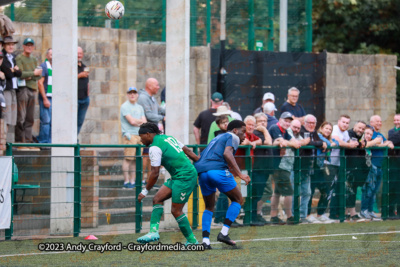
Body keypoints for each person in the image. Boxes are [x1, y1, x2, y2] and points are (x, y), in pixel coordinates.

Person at [136, 123, 200, 245]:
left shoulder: (154, 148)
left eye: (141, 136)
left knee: (176, 210)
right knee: (157, 199)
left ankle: (192, 241)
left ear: (148, 134)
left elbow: (155, 173)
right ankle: (153, 232)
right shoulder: (168, 137)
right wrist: (200, 163)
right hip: (178, 176)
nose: (141, 139)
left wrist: (144, 191)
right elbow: (187, 150)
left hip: (185, 177)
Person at [194, 120, 250, 249]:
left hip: (202, 172)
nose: (245, 135)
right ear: (235, 130)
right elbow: (227, 153)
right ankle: (223, 233)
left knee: (209, 207)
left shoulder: (216, 138)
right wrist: (240, 174)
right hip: (217, 170)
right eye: (243, 131)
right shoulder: (233, 136)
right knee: (238, 199)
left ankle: (206, 242)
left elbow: (200, 156)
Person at [268, 112, 301, 224]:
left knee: (277, 192)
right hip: (278, 165)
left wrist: (288, 143)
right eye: (285, 120)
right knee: (288, 192)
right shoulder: (275, 128)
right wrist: (288, 143)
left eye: (289, 121)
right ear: (280, 120)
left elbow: (294, 142)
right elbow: (282, 142)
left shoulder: (285, 131)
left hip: (279, 164)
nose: (287, 123)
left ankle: (273, 217)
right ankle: (290, 217)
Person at [360, 116, 394, 220]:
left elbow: (388, 143)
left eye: (380, 121)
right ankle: (363, 210)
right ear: (371, 122)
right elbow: (371, 143)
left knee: (374, 190)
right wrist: (383, 143)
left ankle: (370, 211)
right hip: (371, 165)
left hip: (380, 166)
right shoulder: (370, 133)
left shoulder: (380, 134)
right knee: (368, 189)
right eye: (377, 121)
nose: (379, 123)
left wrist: (387, 143)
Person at [329, 115, 359, 220]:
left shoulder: (346, 133)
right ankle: (329, 213)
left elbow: (347, 142)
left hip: (339, 164)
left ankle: (336, 213)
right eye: (343, 122)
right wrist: (349, 145)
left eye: (347, 123)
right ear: (338, 121)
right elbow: (337, 141)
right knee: (330, 189)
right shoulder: (335, 129)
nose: (345, 124)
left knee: (338, 189)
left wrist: (353, 144)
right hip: (330, 163)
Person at [298, 114, 326, 223]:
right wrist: (318, 143)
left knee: (307, 192)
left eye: (313, 123)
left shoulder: (314, 132)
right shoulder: (300, 131)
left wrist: (320, 143)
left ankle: (303, 216)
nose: (311, 125)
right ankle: (293, 215)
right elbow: (311, 142)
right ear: (304, 123)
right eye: (309, 123)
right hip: (299, 166)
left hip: (310, 167)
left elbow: (319, 142)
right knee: (296, 192)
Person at [15, 38, 42, 150]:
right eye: (27, 45)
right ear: (23, 46)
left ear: (33, 47)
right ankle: (20, 141)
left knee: (30, 118)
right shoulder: (19, 58)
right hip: (23, 89)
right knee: (21, 116)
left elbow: (39, 75)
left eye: (31, 45)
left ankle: (28, 141)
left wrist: (30, 75)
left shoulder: (34, 59)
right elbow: (20, 74)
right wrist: (32, 74)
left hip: (32, 89)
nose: (29, 47)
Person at [138, 78, 165, 184]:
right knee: (145, 156)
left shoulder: (151, 98)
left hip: (152, 133)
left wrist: (170, 110)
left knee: (151, 156)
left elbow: (159, 109)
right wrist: (162, 118)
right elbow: (148, 115)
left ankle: (149, 179)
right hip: (145, 133)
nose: (158, 87)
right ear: (149, 86)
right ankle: (141, 179)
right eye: (156, 85)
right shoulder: (143, 98)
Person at [120, 87, 146, 189]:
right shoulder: (125, 106)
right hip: (129, 135)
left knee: (135, 159)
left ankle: (132, 181)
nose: (132, 95)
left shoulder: (140, 107)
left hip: (139, 135)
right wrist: (139, 121)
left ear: (137, 95)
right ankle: (126, 181)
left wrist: (137, 121)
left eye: (134, 93)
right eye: (130, 93)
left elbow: (145, 122)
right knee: (128, 158)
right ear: (127, 95)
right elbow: (131, 121)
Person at [314, 122, 338, 223]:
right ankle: (306, 215)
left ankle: (320, 213)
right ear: (321, 128)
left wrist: (332, 143)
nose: (328, 131)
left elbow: (336, 143)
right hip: (317, 166)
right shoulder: (318, 136)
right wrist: (329, 144)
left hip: (325, 167)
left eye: (330, 129)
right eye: (326, 128)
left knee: (327, 191)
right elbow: (326, 142)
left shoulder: (330, 139)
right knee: (310, 191)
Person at [251, 113, 273, 225]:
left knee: (261, 193)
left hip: (265, 168)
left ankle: (257, 214)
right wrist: (265, 130)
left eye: (265, 121)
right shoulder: (256, 133)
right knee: (255, 193)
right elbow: (268, 142)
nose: (263, 123)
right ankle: (252, 217)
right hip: (257, 168)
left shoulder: (264, 132)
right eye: (260, 121)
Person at [345, 121, 369, 219]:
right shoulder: (349, 133)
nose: (361, 130)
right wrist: (360, 144)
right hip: (349, 167)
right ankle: (351, 213)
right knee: (349, 190)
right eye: (359, 128)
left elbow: (365, 143)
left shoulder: (361, 136)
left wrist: (363, 143)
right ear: (354, 126)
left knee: (352, 190)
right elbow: (353, 144)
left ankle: (349, 213)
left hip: (357, 168)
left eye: (363, 129)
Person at [1, 36, 22, 138]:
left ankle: (6, 141)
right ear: (4, 45)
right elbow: (8, 74)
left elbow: (20, 73)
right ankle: (3, 140)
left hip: (13, 89)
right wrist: (14, 70)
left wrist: (14, 70)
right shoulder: (2, 57)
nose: (11, 46)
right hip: (6, 90)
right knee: (6, 116)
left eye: (12, 44)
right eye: (8, 44)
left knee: (12, 117)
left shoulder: (13, 57)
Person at [37, 48, 52, 144]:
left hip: (54, 97)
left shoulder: (56, 67)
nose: (53, 57)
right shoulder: (43, 66)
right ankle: (43, 142)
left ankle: (50, 142)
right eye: (51, 54)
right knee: (46, 121)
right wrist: (45, 98)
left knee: (52, 122)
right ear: (47, 56)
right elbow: (40, 82)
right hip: (46, 96)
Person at [388, 114, 400, 219]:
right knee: (393, 188)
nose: (396, 121)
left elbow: (393, 140)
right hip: (394, 164)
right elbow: (392, 139)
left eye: (398, 120)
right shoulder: (390, 131)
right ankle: (391, 212)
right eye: (395, 120)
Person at [77, 46, 90, 135]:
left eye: (80, 53)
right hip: (75, 98)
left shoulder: (84, 66)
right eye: (77, 53)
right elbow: (67, 80)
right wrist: (79, 75)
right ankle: (72, 141)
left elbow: (87, 82)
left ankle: (75, 139)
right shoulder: (71, 66)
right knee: (72, 121)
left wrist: (88, 95)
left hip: (85, 98)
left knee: (80, 121)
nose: (79, 55)